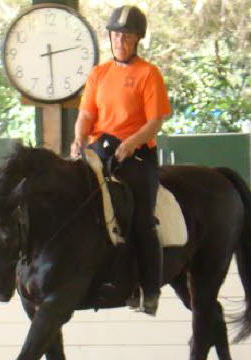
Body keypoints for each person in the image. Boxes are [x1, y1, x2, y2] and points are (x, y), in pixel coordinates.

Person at [71, 5, 171, 317]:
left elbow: (155, 121)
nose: (120, 41)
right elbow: (86, 113)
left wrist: (131, 143)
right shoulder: (98, 73)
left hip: (136, 153)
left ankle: (150, 289)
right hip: (99, 149)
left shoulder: (148, 74)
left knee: (140, 219)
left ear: (137, 39)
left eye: (126, 36)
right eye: (116, 35)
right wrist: (78, 139)